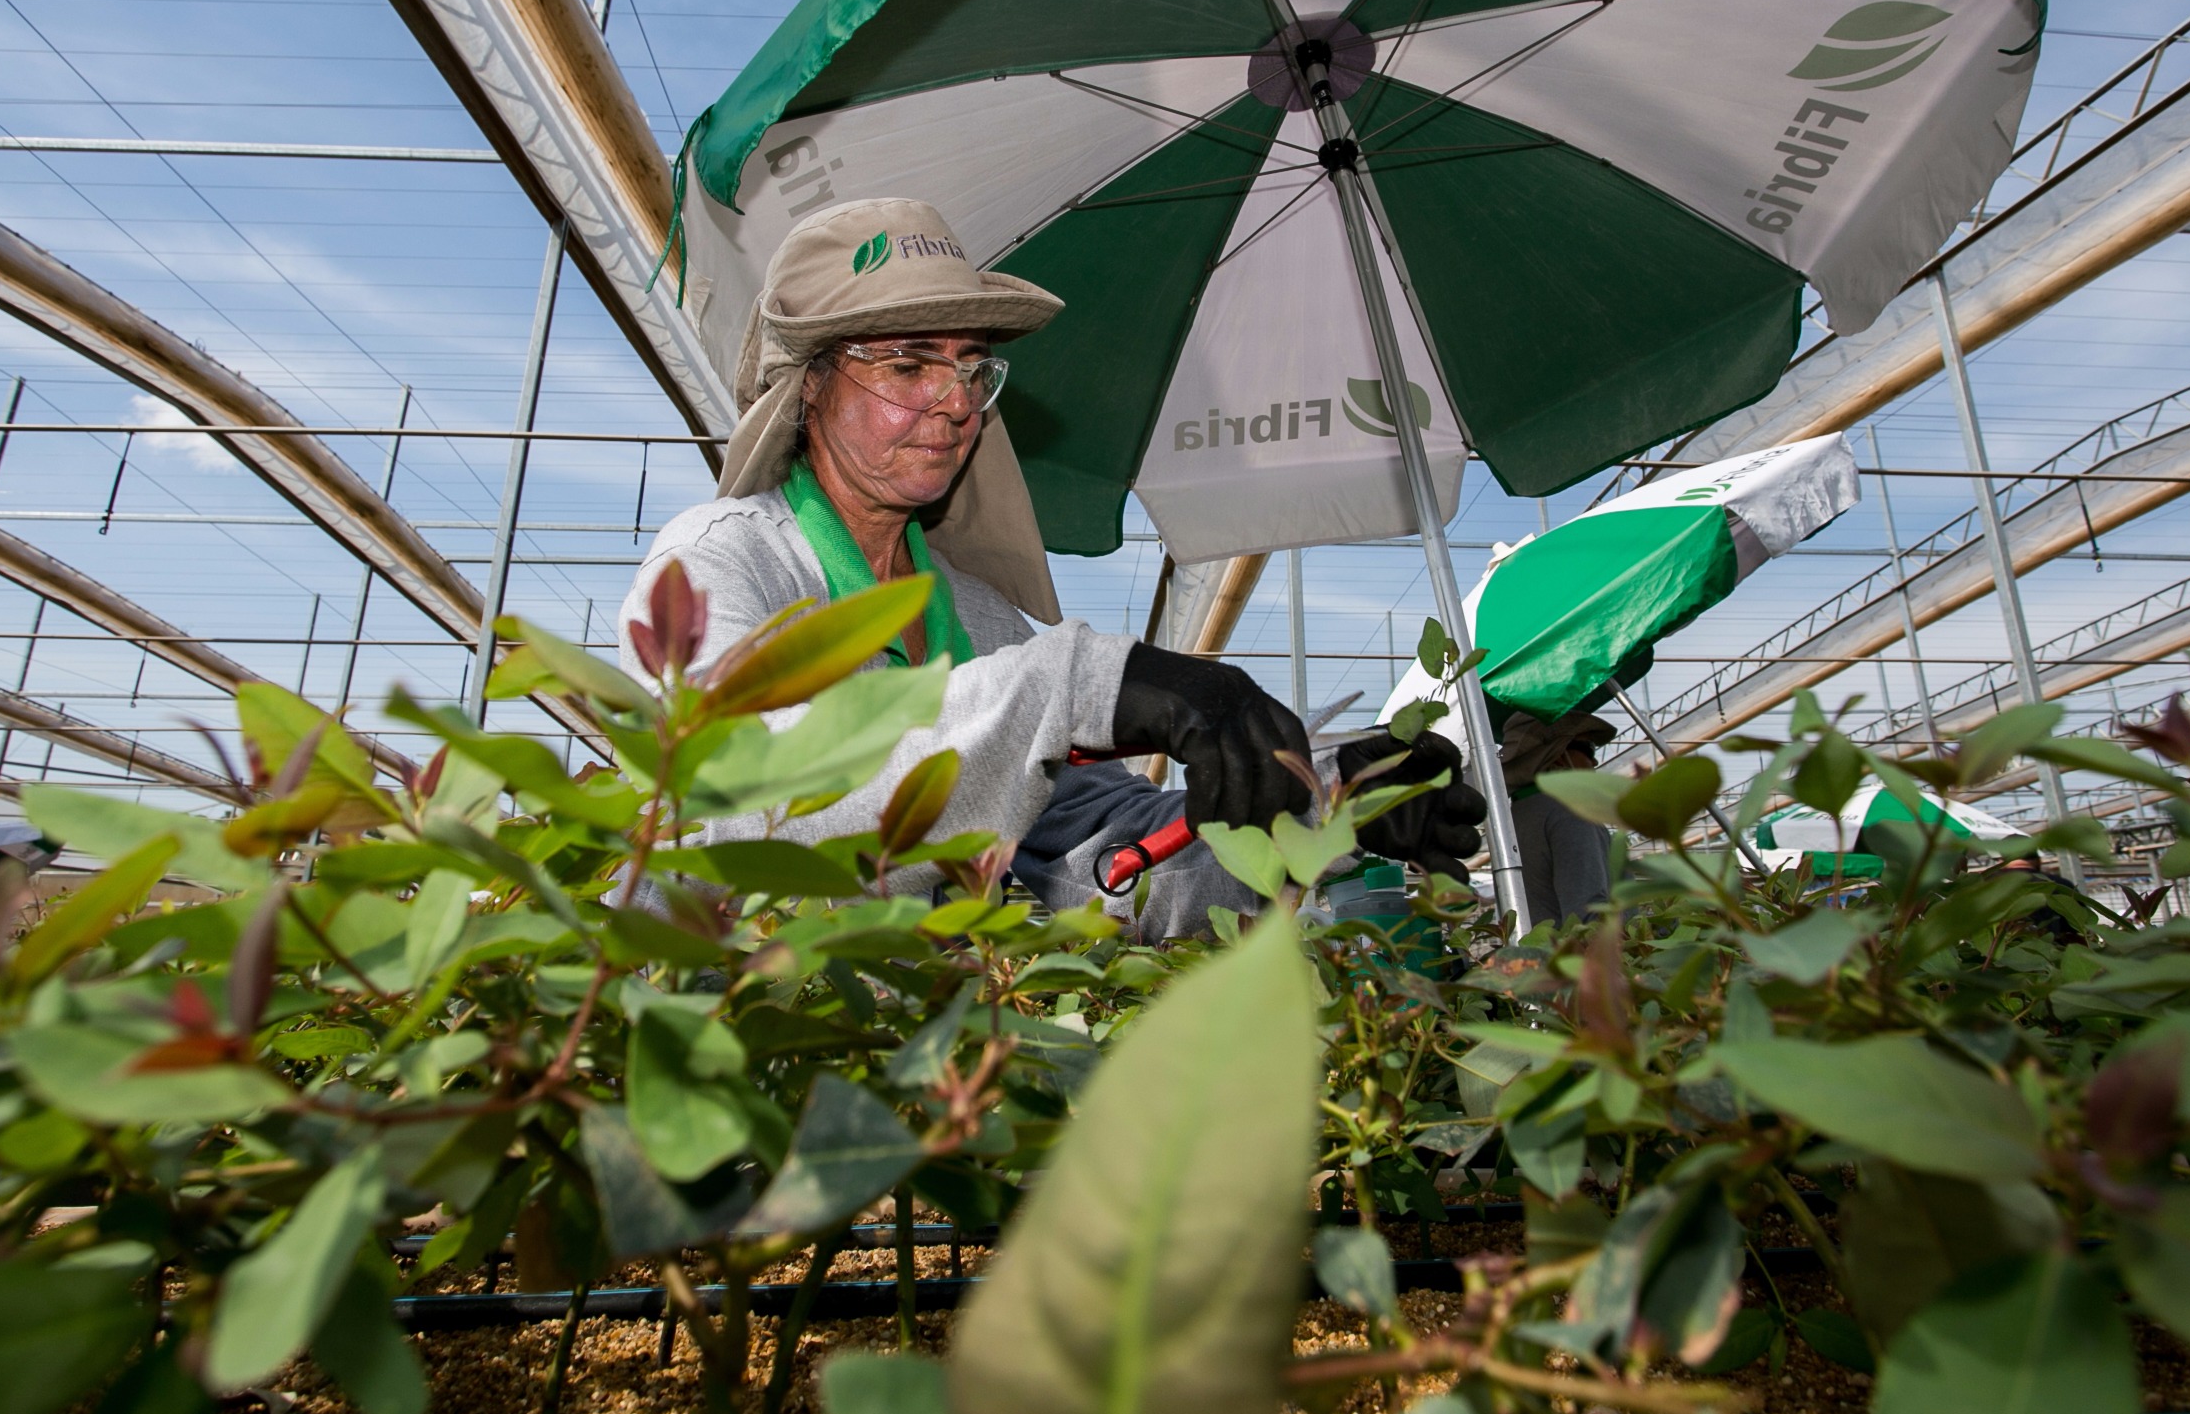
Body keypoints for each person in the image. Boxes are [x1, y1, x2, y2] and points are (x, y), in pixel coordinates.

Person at [619, 197, 1483, 939]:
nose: (957, 403)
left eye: (970, 368)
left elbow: (1110, 862)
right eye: (911, 362)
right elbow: (729, 804)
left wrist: (1327, 806)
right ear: (808, 386)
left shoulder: (980, 623)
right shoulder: (722, 563)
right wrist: (1076, 684)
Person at [1499, 710, 1616, 924]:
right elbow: (1588, 918)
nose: (1595, 761)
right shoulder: (1571, 814)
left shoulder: (1514, 815)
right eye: (1588, 749)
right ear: (1560, 756)